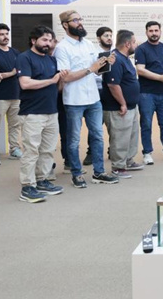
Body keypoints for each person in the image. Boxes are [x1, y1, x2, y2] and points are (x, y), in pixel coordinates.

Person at [54, 10, 118, 188]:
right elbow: (66, 77)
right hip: (74, 100)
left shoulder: (89, 44)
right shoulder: (62, 48)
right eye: (75, 20)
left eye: (80, 19)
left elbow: (97, 71)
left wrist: (106, 64)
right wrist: (91, 69)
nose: (80, 22)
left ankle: (99, 172)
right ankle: (76, 173)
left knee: (97, 136)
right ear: (65, 25)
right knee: (74, 140)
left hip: (93, 98)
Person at [16, 26, 67, 203]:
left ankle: (42, 180)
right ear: (33, 40)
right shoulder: (24, 58)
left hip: (51, 111)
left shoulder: (51, 60)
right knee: (31, 151)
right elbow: (25, 83)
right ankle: (27, 187)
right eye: (44, 40)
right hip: (32, 113)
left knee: (47, 150)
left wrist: (61, 81)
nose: (48, 43)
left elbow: (56, 87)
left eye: (50, 40)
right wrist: (52, 80)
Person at [135, 21, 163, 164]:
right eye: (151, 31)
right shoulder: (141, 49)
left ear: (160, 31)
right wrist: (161, 78)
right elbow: (140, 70)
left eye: (156, 30)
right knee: (146, 124)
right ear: (146, 32)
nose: (154, 33)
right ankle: (147, 153)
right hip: (146, 94)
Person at [101, 29, 144, 178]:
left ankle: (128, 160)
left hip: (131, 106)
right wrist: (123, 103)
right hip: (118, 108)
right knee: (120, 138)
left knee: (130, 136)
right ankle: (118, 167)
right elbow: (113, 85)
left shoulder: (125, 58)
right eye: (134, 42)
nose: (136, 45)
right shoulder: (115, 59)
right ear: (127, 44)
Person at [0, 23, 22, 159]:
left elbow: (21, 71)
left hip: (16, 94)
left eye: (6, 34)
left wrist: (12, 73)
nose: (5, 37)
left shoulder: (15, 52)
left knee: (15, 125)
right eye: (1, 34)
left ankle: (14, 149)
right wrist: (12, 73)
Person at [82, 26, 113, 167]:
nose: (109, 38)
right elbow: (93, 74)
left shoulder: (115, 53)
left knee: (114, 123)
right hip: (99, 90)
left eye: (110, 35)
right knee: (95, 124)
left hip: (113, 91)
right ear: (99, 38)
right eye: (106, 35)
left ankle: (113, 150)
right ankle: (91, 152)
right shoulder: (94, 53)